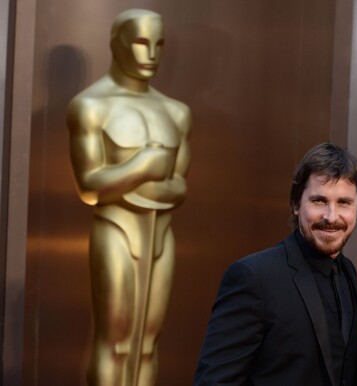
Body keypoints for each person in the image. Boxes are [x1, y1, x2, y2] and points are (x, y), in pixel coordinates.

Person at [67, 9, 191, 386]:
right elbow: (89, 187)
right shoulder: (90, 107)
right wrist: (143, 166)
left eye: (158, 44)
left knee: (148, 344)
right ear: (116, 44)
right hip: (115, 231)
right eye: (140, 42)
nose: (150, 53)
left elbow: (179, 187)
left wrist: (129, 180)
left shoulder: (176, 112)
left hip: (160, 236)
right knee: (116, 342)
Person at [194, 143, 357, 386]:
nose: (331, 217)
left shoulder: (348, 273)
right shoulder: (254, 277)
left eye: (344, 203)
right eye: (319, 201)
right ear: (296, 204)